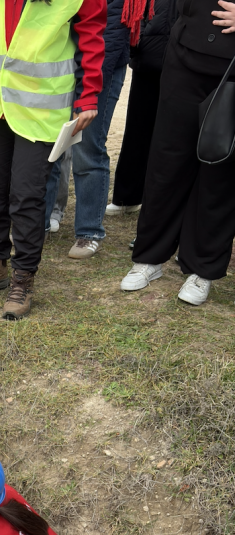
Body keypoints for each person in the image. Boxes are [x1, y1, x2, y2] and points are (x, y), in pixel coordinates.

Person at [0, 0, 105, 319]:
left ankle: (23, 279)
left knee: (26, 195)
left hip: (40, 108)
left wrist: (89, 93)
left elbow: (90, 33)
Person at [119, 0, 235, 306]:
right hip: (184, 56)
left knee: (219, 170)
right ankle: (150, 257)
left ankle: (203, 269)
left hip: (232, 68)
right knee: (166, 161)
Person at [45, 0, 129, 261]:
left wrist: (88, 90)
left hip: (99, 66)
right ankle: (40, 221)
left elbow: (113, 27)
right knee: (48, 144)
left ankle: (89, 231)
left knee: (87, 150)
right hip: (58, 65)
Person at [108, 0, 178, 215]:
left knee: (173, 139)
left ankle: (162, 206)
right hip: (148, 54)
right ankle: (127, 197)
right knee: (137, 130)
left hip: (183, 59)